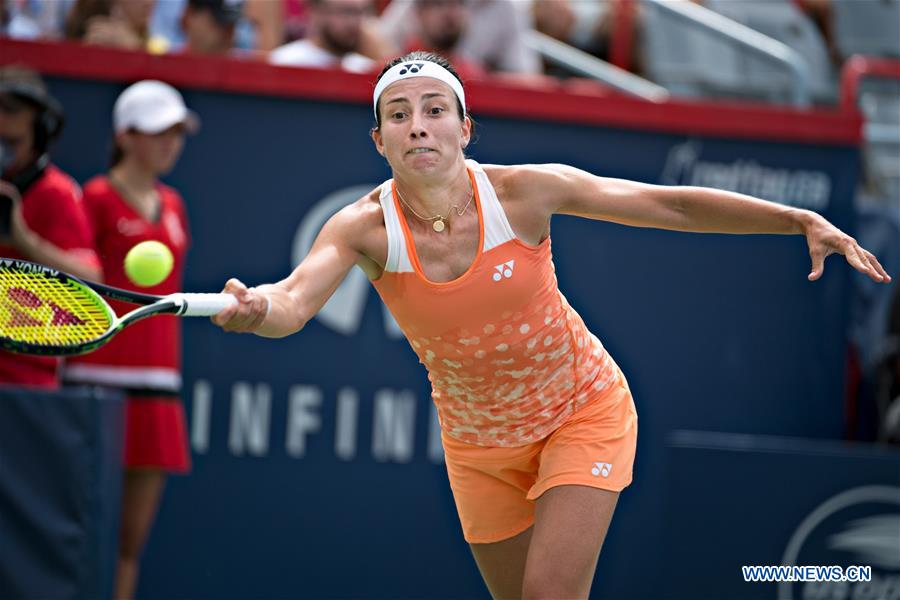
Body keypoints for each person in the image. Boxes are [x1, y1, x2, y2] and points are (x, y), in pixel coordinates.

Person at [211, 52, 891, 599]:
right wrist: (256, 309)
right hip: (478, 449)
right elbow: (293, 302)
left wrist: (793, 218)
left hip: (581, 411)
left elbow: (667, 206)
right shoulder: (362, 227)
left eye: (434, 109)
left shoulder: (523, 192)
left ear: (464, 128)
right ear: (380, 139)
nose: (418, 124)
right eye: (399, 114)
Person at [62, 80, 195, 600]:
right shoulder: (92, 198)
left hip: (158, 389)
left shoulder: (175, 204)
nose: (171, 142)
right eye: (159, 132)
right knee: (77, 535)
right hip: (93, 385)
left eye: (177, 132)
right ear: (126, 136)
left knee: (129, 545)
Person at [0, 66, 100, 387]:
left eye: (10, 143)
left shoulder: (55, 192)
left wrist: (23, 240)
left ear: (39, 134)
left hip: (26, 381)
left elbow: (90, 280)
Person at [268, 0, 385, 73]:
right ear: (316, 11)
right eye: (346, 12)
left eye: (361, 12)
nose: (354, 22)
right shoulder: (284, 62)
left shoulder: (365, 70)